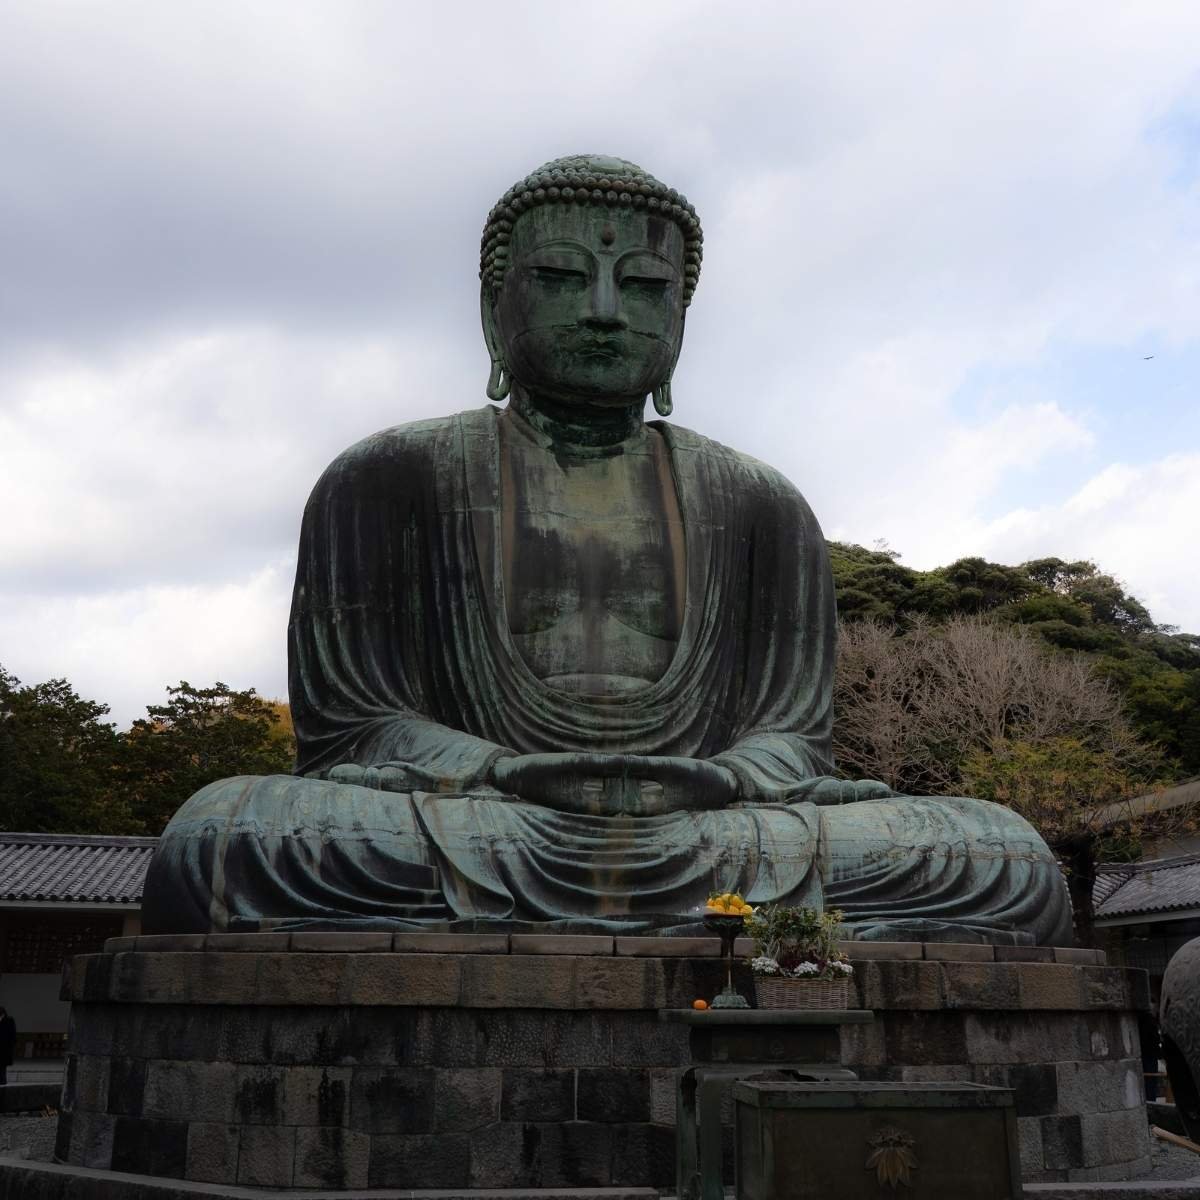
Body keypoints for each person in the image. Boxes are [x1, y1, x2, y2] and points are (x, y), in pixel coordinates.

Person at [142, 154, 1072, 945]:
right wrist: (497, 769)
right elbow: (353, 727)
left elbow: (795, 739)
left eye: (643, 288)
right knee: (222, 839)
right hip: (482, 820)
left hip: (717, 828)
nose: (601, 310)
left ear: (681, 315)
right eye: (557, 279)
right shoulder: (388, 477)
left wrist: (727, 777)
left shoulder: (761, 503)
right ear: (490, 306)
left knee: (1002, 855)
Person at [0, 1006, 16, 1086]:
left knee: (2, 1066)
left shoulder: (9, 1020)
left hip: (5, 1048)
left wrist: (10, 1046)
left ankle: (2, 1081)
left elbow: (12, 1034)